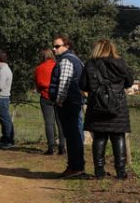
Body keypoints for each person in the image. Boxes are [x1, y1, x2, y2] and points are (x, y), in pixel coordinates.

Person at [80, 39, 134, 179]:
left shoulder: (90, 64)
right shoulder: (120, 62)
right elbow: (129, 82)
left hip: (97, 106)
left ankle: (99, 171)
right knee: (118, 136)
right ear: (112, 49)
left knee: (99, 137)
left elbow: (83, 85)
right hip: (118, 107)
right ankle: (121, 172)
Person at [49, 34, 86, 179]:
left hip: (68, 103)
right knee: (75, 133)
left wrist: (59, 101)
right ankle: (77, 165)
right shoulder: (77, 59)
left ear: (67, 46)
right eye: (53, 46)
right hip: (74, 101)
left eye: (57, 46)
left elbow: (64, 83)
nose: (54, 49)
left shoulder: (65, 61)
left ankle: (75, 167)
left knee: (72, 135)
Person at [34, 48, 66, 155]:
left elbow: (38, 85)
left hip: (45, 96)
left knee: (49, 123)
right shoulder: (58, 65)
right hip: (58, 96)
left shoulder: (38, 68)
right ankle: (62, 147)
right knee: (60, 122)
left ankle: (51, 147)